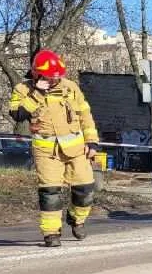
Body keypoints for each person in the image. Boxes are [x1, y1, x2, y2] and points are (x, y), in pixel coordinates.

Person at [9, 50, 99, 247]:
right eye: (51, 77)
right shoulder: (23, 89)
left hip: (76, 149)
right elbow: (17, 114)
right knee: (50, 192)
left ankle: (76, 219)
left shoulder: (71, 87)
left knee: (85, 189)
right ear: (37, 74)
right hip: (47, 151)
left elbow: (85, 115)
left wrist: (92, 142)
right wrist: (38, 93)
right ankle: (51, 233)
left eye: (58, 76)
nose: (56, 80)